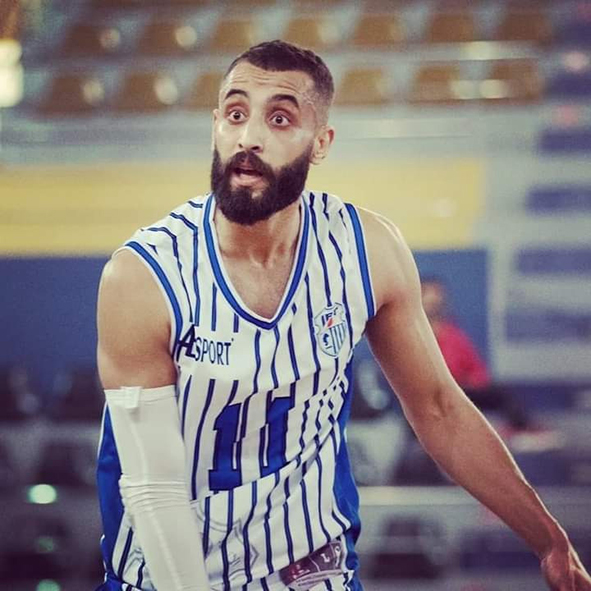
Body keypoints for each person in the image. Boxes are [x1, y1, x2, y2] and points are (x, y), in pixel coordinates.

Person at [95, 40, 591, 591]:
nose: (249, 136)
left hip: (314, 572)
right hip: (168, 576)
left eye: (279, 119)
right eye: (235, 114)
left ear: (321, 142)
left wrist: (550, 541)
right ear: (215, 125)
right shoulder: (142, 275)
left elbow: (440, 409)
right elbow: (153, 489)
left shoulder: (368, 250)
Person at [421, 276, 530, 430]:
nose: (433, 299)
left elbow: (475, 366)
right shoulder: (414, 335)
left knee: (503, 393)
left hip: (462, 389)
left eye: (437, 294)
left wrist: (476, 381)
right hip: (431, 393)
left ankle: (522, 430)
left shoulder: (453, 333)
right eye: (427, 293)